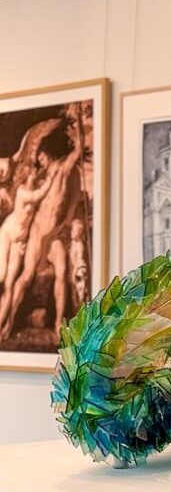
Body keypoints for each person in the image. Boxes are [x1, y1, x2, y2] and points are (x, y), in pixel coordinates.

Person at [0, 106, 84, 341]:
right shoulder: (38, 181)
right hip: (37, 232)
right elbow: (34, 198)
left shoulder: (62, 171)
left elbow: (77, 153)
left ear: (49, 155)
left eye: (42, 157)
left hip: (54, 234)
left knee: (62, 273)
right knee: (26, 276)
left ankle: (58, 324)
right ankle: (7, 323)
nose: (39, 161)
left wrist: (77, 124)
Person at [0, 163, 58, 329]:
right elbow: (38, 195)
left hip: (19, 241)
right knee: (1, 275)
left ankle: (2, 324)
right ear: (26, 176)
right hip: (7, 233)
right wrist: (51, 178)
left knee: (10, 284)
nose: (35, 173)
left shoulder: (33, 188)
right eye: (32, 172)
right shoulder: (22, 192)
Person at [68, 218, 89, 311]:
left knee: (79, 294)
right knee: (74, 295)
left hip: (78, 271)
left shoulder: (79, 244)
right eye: (72, 230)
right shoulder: (73, 243)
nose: (72, 232)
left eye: (74, 230)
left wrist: (74, 273)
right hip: (73, 270)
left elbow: (79, 260)